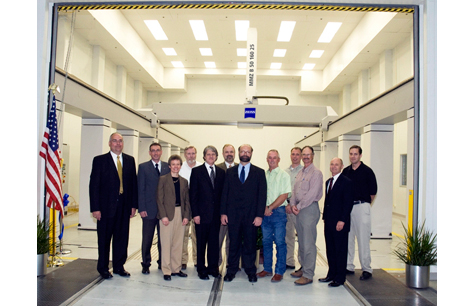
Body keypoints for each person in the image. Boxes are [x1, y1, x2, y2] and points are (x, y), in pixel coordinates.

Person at [89, 132, 138, 279]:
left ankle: (119, 266)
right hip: (105, 209)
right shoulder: (100, 160)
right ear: (109, 143)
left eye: (120, 141)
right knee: (104, 239)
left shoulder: (130, 160)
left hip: (124, 207)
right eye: (115, 141)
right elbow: (94, 186)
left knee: (122, 238)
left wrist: (134, 205)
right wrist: (95, 208)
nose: (118, 144)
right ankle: (103, 268)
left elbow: (133, 185)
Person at [221, 144, 267, 283]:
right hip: (233, 215)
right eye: (242, 151)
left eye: (248, 151)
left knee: (250, 244)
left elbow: (262, 196)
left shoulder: (259, 172)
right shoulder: (230, 172)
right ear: (239, 153)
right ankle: (231, 270)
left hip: (252, 216)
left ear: (251, 153)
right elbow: (225, 194)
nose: (245, 153)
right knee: (233, 243)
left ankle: (250, 270)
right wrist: (223, 213)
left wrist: (259, 215)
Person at [190, 146, 226, 280]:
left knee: (214, 243)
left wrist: (223, 213)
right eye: (208, 154)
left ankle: (213, 268)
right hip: (201, 215)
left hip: (216, 216)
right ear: (204, 156)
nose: (211, 156)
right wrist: (195, 214)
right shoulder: (196, 172)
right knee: (201, 244)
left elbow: (223, 195)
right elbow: (192, 195)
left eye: (213, 154)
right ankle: (201, 269)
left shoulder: (221, 172)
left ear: (216, 157)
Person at [342, 145, 377, 280]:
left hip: (362, 207)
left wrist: (364, 205)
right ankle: (349, 266)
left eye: (355, 154)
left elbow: (373, 192)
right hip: (348, 208)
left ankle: (366, 269)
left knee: (363, 239)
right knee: (348, 238)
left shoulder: (368, 172)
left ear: (360, 155)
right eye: (351, 154)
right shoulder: (346, 172)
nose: (353, 156)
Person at [289, 146, 323, 286]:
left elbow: (312, 194)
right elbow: (294, 190)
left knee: (308, 243)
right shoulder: (300, 173)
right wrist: (292, 205)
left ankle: (308, 274)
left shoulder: (316, 173)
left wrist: (299, 206)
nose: (306, 157)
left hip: (308, 210)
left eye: (308, 155)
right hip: (298, 210)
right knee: (302, 242)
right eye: (304, 155)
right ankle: (303, 268)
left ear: (313, 156)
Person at [257, 150, 291, 282]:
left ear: (279, 159)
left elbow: (284, 195)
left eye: (274, 158)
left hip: (278, 213)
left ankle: (279, 271)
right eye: (270, 158)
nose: (272, 160)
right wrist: (264, 209)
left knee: (280, 242)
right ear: (266, 159)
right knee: (266, 242)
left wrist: (270, 207)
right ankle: (267, 269)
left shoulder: (284, 175)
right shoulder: (263, 175)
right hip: (265, 213)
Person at [319, 158, 353, 287]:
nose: (334, 166)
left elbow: (347, 203)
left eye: (336, 164)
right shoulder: (329, 181)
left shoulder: (346, 182)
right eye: (332, 164)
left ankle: (340, 278)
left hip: (340, 222)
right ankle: (331, 274)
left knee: (340, 250)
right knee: (330, 249)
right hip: (329, 221)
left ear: (342, 166)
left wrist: (342, 220)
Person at [156, 155, 191, 281]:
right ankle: (166, 270)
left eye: (178, 164)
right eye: (173, 164)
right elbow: (159, 199)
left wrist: (186, 216)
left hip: (180, 214)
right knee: (166, 243)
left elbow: (187, 201)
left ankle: (176, 268)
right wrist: (163, 216)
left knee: (178, 243)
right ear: (169, 166)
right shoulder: (163, 179)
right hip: (167, 215)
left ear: (180, 166)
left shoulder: (184, 181)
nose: (176, 167)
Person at [137, 143, 170, 274]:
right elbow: (141, 189)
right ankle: (145, 263)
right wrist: (142, 208)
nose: (155, 153)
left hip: (163, 211)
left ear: (161, 152)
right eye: (153, 151)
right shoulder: (143, 167)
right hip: (148, 209)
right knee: (147, 238)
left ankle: (162, 262)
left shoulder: (167, 167)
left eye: (158, 150)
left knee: (163, 238)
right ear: (149, 153)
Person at [179, 146, 202, 269]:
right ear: (184, 154)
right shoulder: (180, 168)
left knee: (197, 235)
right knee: (182, 235)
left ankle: (197, 260)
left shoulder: (201, 167)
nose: (191, 156)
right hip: (184, 207)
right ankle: (182, 260)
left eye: (193, 153)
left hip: (197, 207)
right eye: (188, 153)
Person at [216, 144, 237, 267]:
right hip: (220, 212)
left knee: (233, 240)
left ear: (234, 153)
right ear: (223, 154)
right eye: (226, 152)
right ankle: (217, 263)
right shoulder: (217, 168)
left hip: (235, 212)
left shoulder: (241, 168)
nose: (229, 154)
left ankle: (231, 263)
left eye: (231, 152)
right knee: (218, 240)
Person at [284, 147, 303, 271]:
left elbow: (303, 191)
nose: (295, 156)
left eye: (297, 154)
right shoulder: (285, 172)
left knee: (302, 237)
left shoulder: (304, 171)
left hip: (299, 209)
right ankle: (289, 261)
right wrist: (287, 204)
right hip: (287, 208)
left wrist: (295, 205)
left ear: (301, 156)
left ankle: (302, 263)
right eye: (293, 154)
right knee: (288, 236)